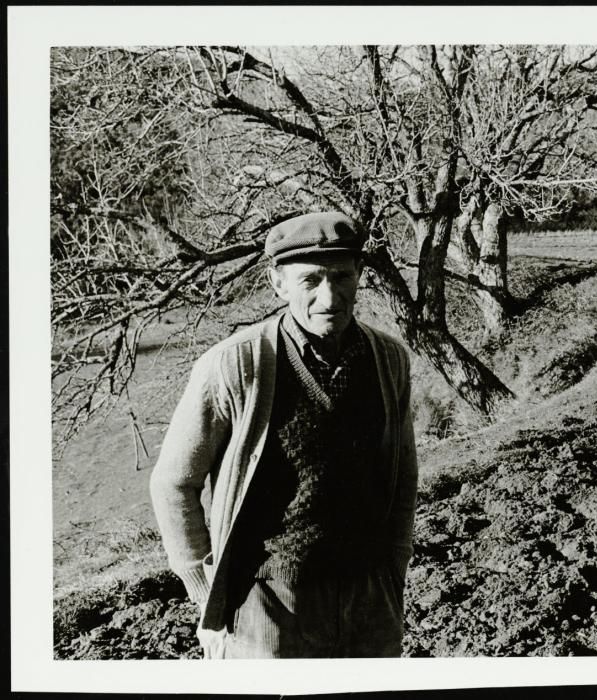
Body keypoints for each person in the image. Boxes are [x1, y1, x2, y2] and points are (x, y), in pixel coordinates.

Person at [149, 211, 418, 659]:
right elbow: (173, 482)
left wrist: (394, 569)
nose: (329, 296)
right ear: (278, 283)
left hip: (370, 597)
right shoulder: (236, 365)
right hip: (268, 600)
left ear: (360, 276)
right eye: (310, 281)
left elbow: (404, 474)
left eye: (341, 277)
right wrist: (208, 589)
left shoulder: (389, 359)